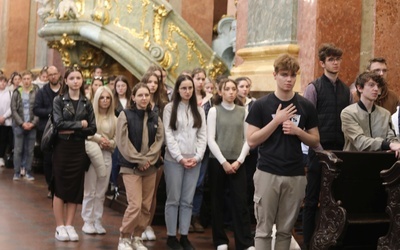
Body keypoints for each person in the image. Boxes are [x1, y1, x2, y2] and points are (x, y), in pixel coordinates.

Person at [246, 54, 320, 250]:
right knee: (263, 230)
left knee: (285, 231)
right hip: (267, 172)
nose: (289, 79)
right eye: (284, 74)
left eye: (293, 75)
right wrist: (276, 121)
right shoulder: (260, 105)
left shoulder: (305, 106)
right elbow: (251, 140)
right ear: (275, 75)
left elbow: (315, 140)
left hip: (295, 174)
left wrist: (297, 131)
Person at [207, 78, 254, 250]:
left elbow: (247, 138)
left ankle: (245, 242)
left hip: (238, 162)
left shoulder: (243, 111)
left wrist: (239, 161)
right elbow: (210, 139)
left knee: (240, 202)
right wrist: (224, 162)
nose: (231, 92)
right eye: (227, 89)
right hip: (218, 161)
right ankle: (220, 240)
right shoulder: (214, 111)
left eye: (234, 89)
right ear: (220, 92)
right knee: (217, 201)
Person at [116, 83, 164, 250]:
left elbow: (159, 141)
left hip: (150, 167)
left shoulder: (155, 117)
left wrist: (148, 160)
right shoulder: (125, 115)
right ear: (133, 97)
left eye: (147, 95)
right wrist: (139, 160)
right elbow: (122, 142)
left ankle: (137, 237)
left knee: (145, 206)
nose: (144, 98)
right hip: (131, 166)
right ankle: (124, 237)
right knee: (135, 204)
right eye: (140, 95)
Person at [52, 66, 96, 242]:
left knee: (75, 188)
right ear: (66, 81)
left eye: (78, 78)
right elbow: (58, 124)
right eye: (72, 78)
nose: (76, 81)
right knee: (60, 187)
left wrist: (74, 128)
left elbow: (93, 127)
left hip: (79, 148)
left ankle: (70, 225)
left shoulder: (86, 102)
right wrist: (80, 125)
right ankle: (60, 226)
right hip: (62, 149)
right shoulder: (59, 101)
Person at [163, 74, 207, 250]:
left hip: (194, 160)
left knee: (187, 200)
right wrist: (180, 158)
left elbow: (202, 136)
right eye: (184, 88)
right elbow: (169, 135)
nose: (187, 91)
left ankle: (184, 236)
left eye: (190, 88)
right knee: (173, 199)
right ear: (178, 90)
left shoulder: (199, 110)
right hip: (174, 159)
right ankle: (171, 236)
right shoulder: (169, 108)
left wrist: (197, 157)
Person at [81, 86, 117, 235]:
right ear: (96, 99)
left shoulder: (115, 118)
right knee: (90, 190)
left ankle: (97, 220)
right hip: (91, 154)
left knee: (101, 191)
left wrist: (110, 143)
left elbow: (117, 139)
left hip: (107, 154)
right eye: (102, 97)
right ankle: (87, 221)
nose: (105, 100)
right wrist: (99, 139)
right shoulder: (90, 115)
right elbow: (85, 132)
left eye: (108, 98)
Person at [141, 70, 168, 241]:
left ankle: (147, 224)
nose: (152, 85)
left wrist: (157, 152)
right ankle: (138, 225)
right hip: (138, 154)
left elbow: (164, 132)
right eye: (149, 82)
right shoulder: (138, 101)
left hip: (157, 153)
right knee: (139, 194)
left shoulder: (163, 105)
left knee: (152, 192)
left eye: (155, 82)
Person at [341, 72, 400, 152]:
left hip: (381, 160)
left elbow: (392, 138)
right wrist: (388, 145)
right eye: (371, 85)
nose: (376, 89)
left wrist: (395, 146)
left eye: (378, 86)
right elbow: (360, 142)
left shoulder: (385, 114)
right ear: (359, 88)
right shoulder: (348, 113)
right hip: (355, 160)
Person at [190, 67, 213, 233]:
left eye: (203, 78)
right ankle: (183, 217)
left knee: (198, 184)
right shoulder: (186, 97)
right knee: (186, 184)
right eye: (198, 78)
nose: (201, 81)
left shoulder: (210, 100)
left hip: (203, 147)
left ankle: (195, 216)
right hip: (187, 146)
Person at [33, 65, 61, 197]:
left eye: (55, 74)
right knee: (48, 160)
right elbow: (36, 109)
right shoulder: (42, 91)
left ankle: (59, 186)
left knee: (60, 160)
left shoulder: (64, 91)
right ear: (47, 76)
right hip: (46, 129)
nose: (53, 76)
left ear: (59, 74)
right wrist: (51, 112)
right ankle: (51, 186)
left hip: (62, 130)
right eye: (50, 75)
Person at [11, 70, 39, 181]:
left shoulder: (36, 91)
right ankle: (17, 172)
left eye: (28, 79)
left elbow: (38, 108)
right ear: (22, 80)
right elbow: (13, 109)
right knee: (18, 150)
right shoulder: (17, 92)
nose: (26, 81)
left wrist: (32, 123)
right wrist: (22, 123)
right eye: (25, 79)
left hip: (32, 125)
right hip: (19, 125)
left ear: (31, 79)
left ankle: (28, 171)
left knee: (30, 150)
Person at [110, 75, 132, 196]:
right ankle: (114, 184)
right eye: (118, 86)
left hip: (129, 134)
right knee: (116, 160)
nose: (121, 88)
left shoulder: (131, 100)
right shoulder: (113, 101)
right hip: (117, 134)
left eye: (123, 85)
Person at [0, 75, 12, 168]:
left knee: (3, 140)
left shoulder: (10, 93)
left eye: (4, 81)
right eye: (1, 81)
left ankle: (1, 157)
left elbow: (12, 107)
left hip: (6, 121)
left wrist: (4, 117)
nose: (2, 83)